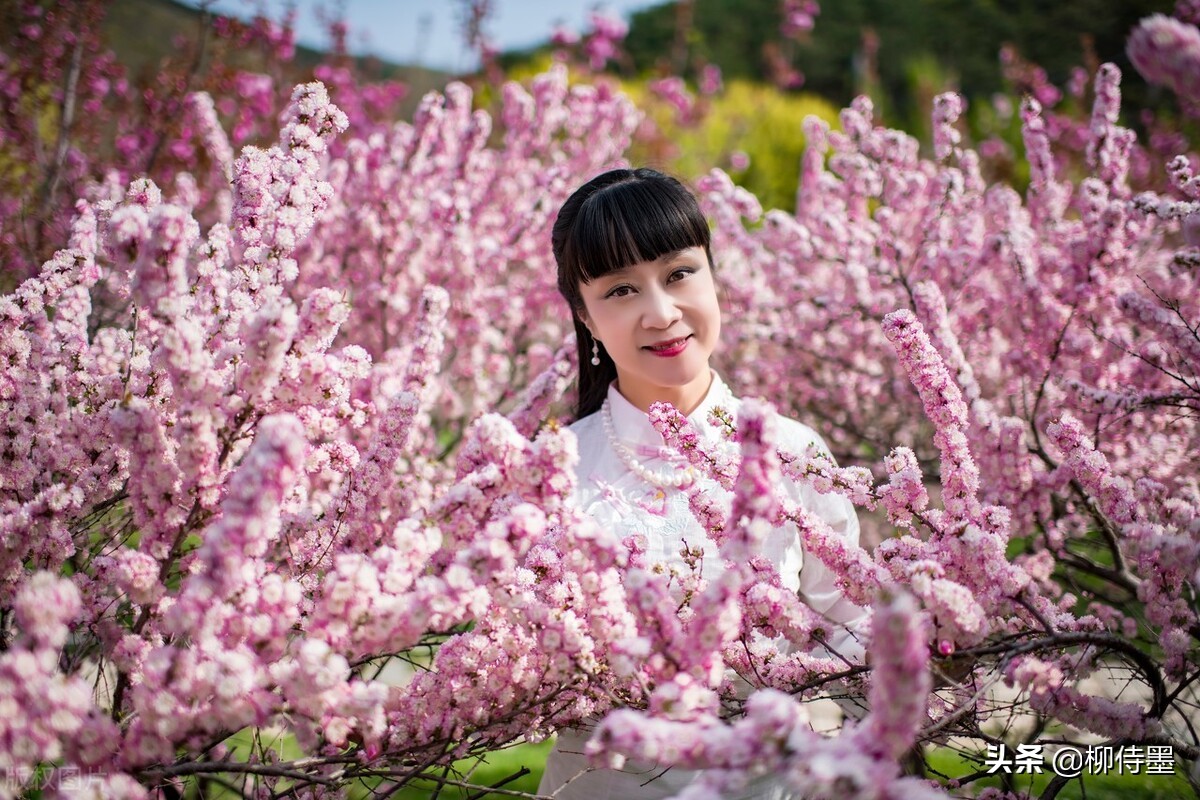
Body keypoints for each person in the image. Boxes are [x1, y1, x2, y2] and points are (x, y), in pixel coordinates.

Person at [538, 167, 868, 799]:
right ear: (584, 315)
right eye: (621, 290)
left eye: (679, 273)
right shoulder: (554, 469)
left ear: (714, 275)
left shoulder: (792, 454)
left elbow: (853, 635)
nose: (661, 313)